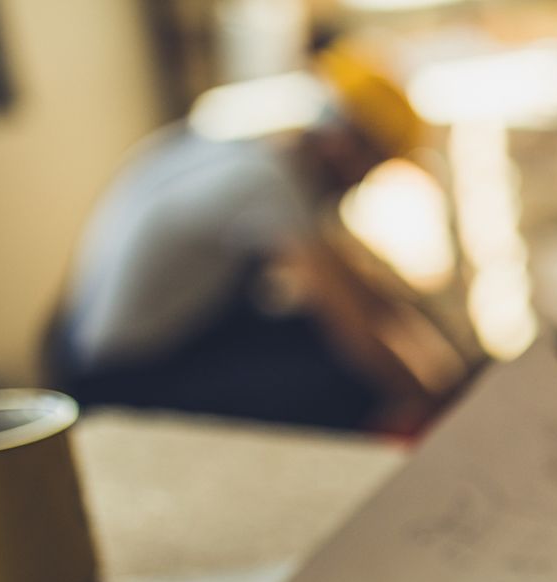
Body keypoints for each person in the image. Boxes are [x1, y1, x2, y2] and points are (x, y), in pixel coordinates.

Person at [46, 44, 464, 432]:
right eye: (372, 166)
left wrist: (444, 354)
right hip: (120, 379)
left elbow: (356, 281)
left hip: (76, 346)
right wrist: (436, 406)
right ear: (345, 145)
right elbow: (352, 324)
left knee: (294, 326)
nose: (361, 183)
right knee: (341, 380)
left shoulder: (240, 150)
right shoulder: (267, 183)